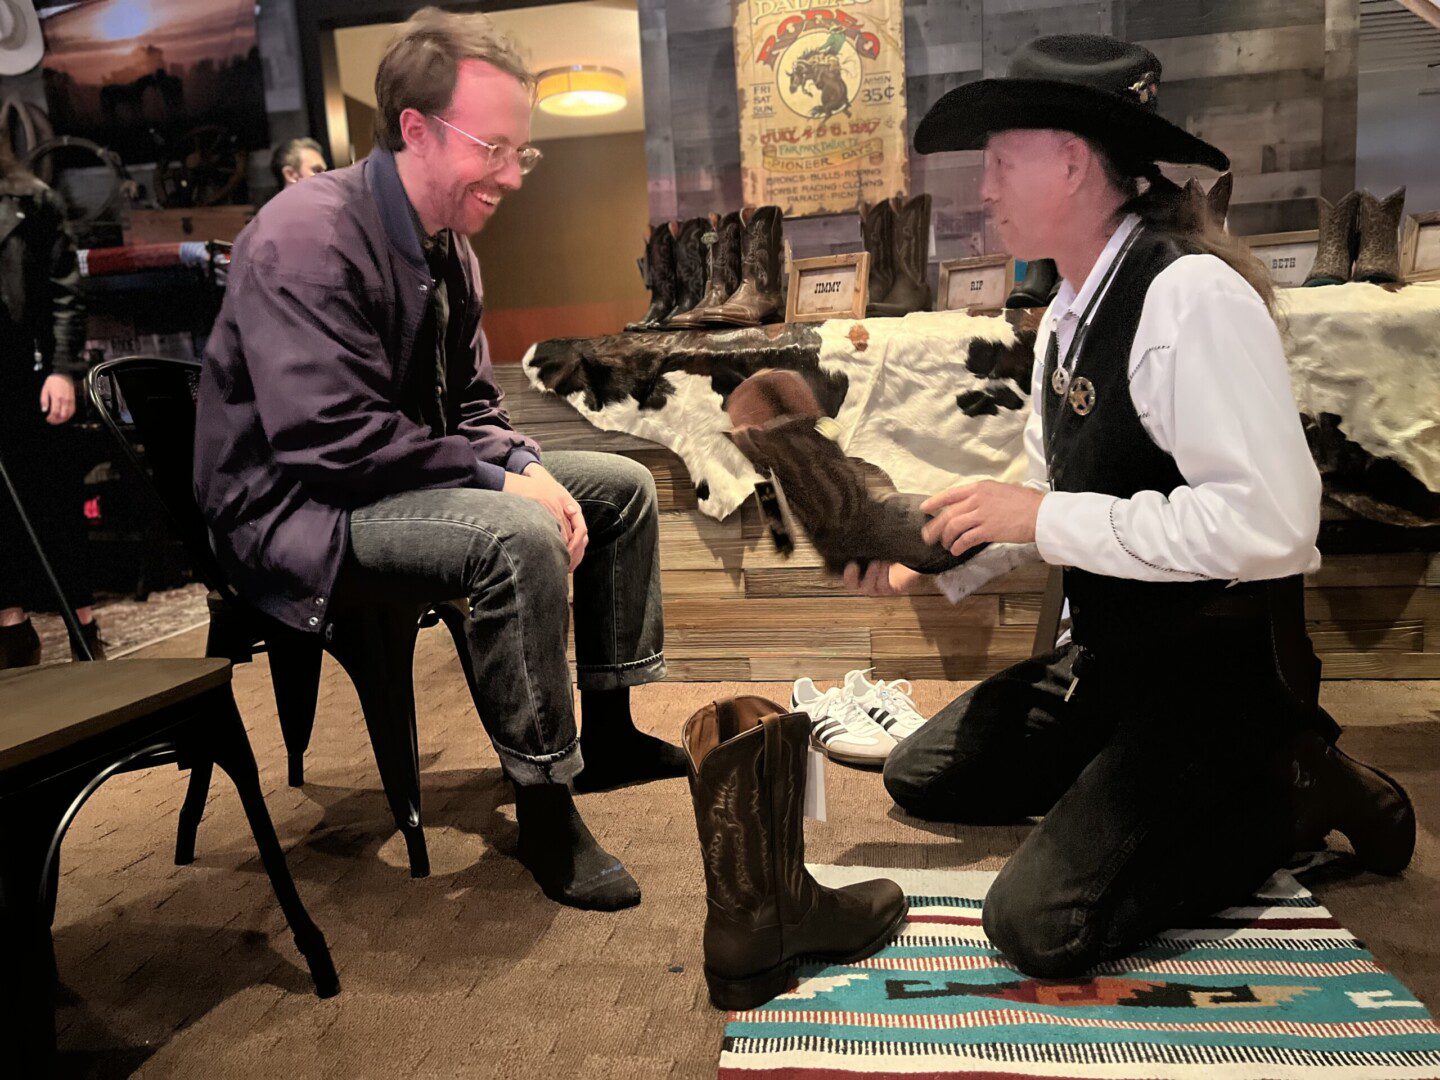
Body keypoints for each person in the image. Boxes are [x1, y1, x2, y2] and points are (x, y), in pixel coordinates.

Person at [846, 35, 1415, 976]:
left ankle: (1291, 786)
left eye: (999, 162)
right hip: (1111, 659)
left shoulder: (1190, 297)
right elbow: (1046, 496)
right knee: (923, 773)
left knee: (1040, 927)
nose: (982, 190)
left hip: (1215, 674)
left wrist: (1040, 519)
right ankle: (1135, 781)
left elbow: (1271, 528)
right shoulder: (1065, 314)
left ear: (1071, 161)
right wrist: (941, 552)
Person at [195, 8, 681, 911]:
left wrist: (524, 464)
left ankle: (607, 733)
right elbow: (327, 441)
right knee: (515, 539)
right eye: (493, 147)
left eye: (519, 152)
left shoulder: (449, 247)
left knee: (619, 487)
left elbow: (473, 407)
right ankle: (545, 802)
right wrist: (501, 483)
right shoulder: (308, 234)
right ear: (415, 129)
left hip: (381, 476)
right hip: (298, 506)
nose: (511, 174)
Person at [0, 146, 100, 668]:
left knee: (55, 499)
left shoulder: (31, 199)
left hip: (32, 372)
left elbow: (65, 290)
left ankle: (83, 620)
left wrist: (64, 369)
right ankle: (12, 628)